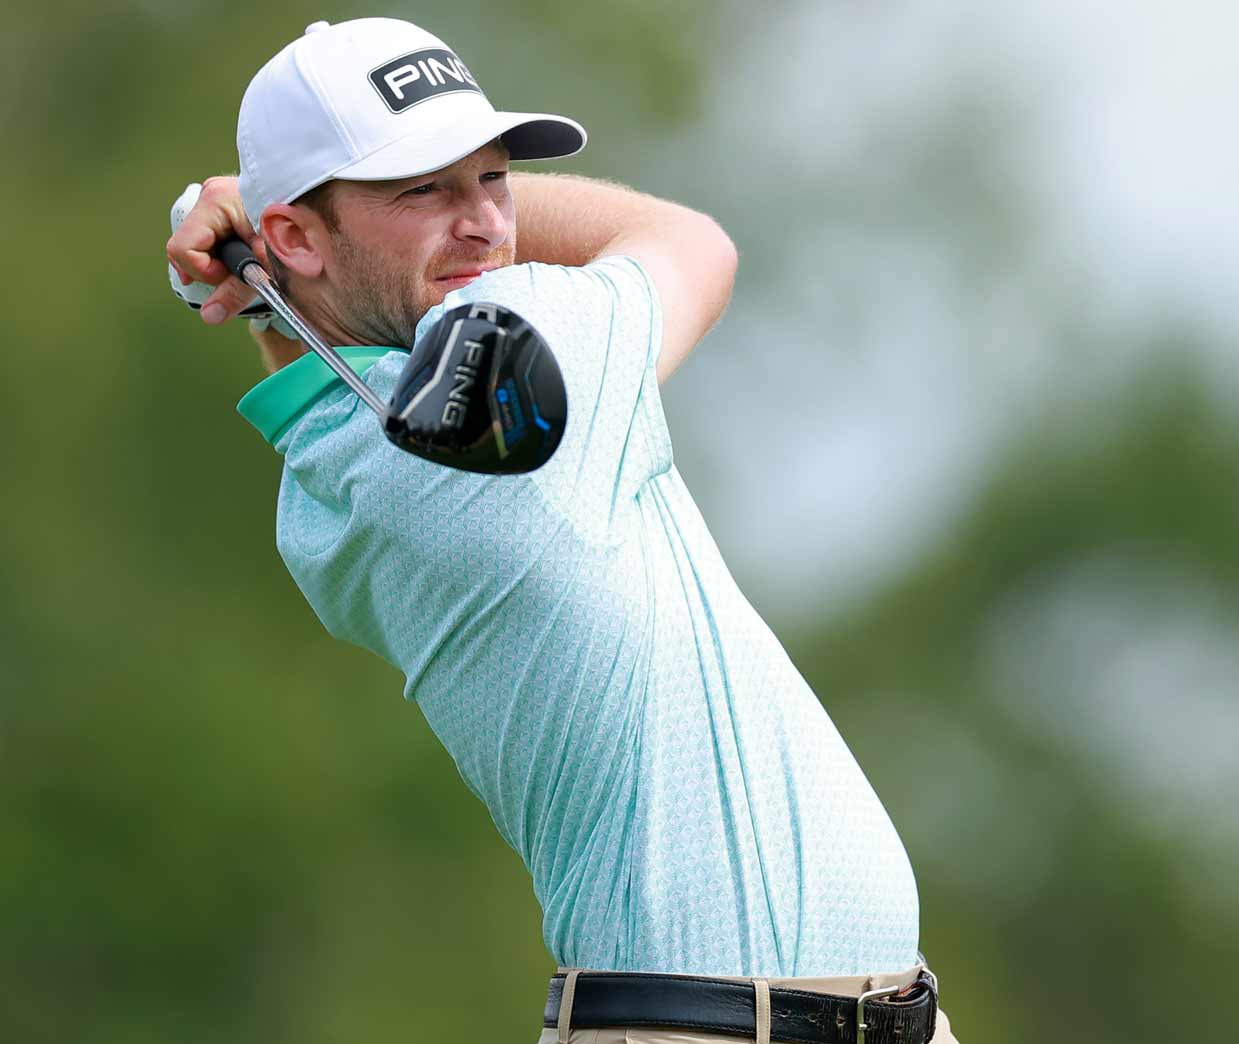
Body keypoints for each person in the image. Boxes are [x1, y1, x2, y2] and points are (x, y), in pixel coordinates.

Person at [165, 18, 956, 1044]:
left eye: (492, 178)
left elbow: (310, 343)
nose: (487, 226)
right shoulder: (519, 352)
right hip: (706, 1029)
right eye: (423, 190)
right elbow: (691, 242)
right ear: (299, 236)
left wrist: (249, 246)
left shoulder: (324, 469)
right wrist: (242, 214)